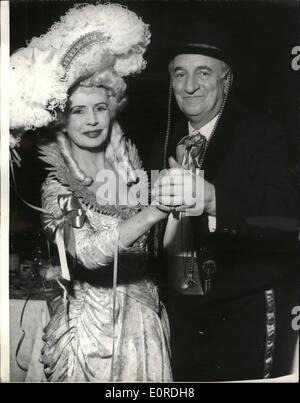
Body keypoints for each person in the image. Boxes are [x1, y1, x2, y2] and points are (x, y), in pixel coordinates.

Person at [9, 3, 172, 382]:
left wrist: (173, 207)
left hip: (144, 325)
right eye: (78, 111)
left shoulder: (130, 168)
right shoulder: (58, 186)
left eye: (100, 107)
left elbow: (154, 249)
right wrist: (154, 211)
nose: (93, 119)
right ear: (61, 120)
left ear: (113, 107)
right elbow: (86, 252)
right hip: (93, 340)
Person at [150, 23, 298, 381]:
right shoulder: (162, 141)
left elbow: (287, 218)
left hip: (242, 310)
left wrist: (216, 200)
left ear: (225, 80)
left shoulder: (261, 135)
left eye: (203, 73)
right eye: (179, 74)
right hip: (179, 314)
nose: (189, 86)